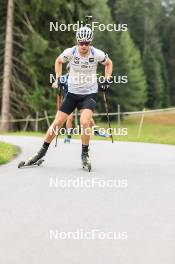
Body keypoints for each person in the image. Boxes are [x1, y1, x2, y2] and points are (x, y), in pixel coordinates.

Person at [23, 26, 113, 169]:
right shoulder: (70, 52)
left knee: (84, 122)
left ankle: (85, 154)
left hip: (89, 93)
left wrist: (107, 79)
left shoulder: (96, 53)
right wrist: (58, 78)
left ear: (90, 42)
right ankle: (41, 152)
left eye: (87, 43)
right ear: (77, 41)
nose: (84, 46)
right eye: (81, 43)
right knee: (57, 123)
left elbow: (109, 63)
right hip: (72, 93)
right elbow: (58, 61)